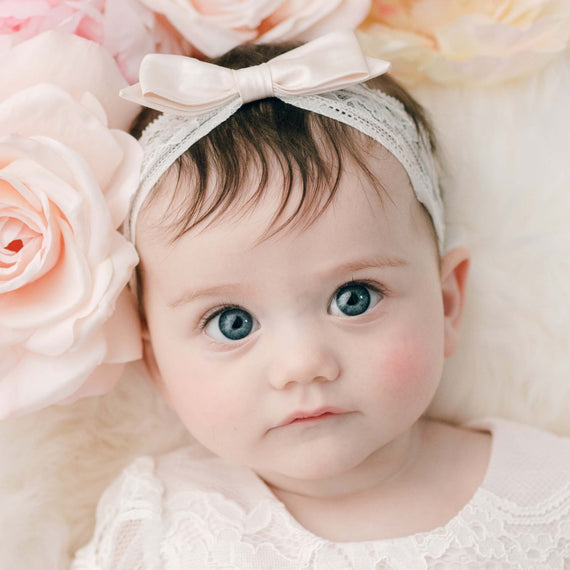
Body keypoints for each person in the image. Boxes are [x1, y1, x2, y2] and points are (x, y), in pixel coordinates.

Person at [72, 32, 570, 569]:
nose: (302, 364)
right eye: (232, 323)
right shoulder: (162, 521)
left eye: (354, 299)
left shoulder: (547, 489)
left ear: (447, 302)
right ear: (157, 366)